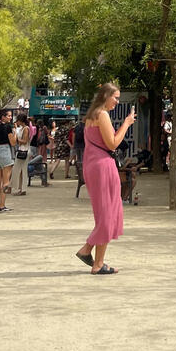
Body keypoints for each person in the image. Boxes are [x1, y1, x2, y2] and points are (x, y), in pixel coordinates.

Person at [75, 82, 135, 274]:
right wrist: (126, 123)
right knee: (107, 214)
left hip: (93, 166)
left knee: (104, 214)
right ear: (105, 96)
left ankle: (92, 255)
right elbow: (113, 144)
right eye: (115, 97)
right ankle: (96, 261)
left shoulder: (91, 117)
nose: (117, 101)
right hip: (103, 167)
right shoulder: (102, 115)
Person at [12, 114, 31, 195]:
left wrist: (17, 139)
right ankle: (20, 188)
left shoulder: (26, 129)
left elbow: (25, 141)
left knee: (20, 170)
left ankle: (21, 188)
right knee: (20, 170)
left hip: (24, 150)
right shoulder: (22, 128)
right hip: (22, 149)